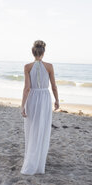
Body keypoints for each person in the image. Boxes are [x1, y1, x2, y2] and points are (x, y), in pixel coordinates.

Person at [20, 40, 59, 175]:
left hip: (32, 98)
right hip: (44, 98)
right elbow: (54, 86)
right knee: (42, 128)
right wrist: (57, 100)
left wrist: (22, 106)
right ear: (43, 52)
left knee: (31, 129)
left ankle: (31, 159)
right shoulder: (49, 66)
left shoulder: (27, 67)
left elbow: (27, 89)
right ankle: (38, 163)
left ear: (33, 52)